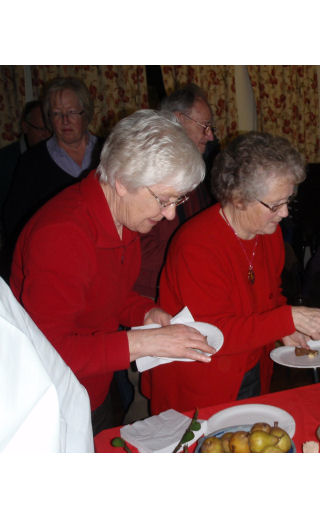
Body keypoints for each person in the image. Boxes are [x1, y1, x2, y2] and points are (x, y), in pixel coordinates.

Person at [10, 110, 216, 435]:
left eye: (177, 200)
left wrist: (145, 312)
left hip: (92, 386)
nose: (169, 215)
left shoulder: (124, 218)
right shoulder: (62, 235)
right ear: (121, 181)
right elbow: (50, 351)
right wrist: (145, 342)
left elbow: (108, 295)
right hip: (51, 401)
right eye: (163, 199)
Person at [142, 131, 320, 414]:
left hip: (250, 363)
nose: (284, 213)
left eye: (288, 201)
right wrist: (286, 319)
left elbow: (270, 296)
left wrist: (288, 328)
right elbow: (214, 333)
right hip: (202, 379)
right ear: (238, 198)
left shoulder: (268, 233)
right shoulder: (197, 246)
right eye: (275, 204)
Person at [2, 77, 103, 279]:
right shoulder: (32, 161)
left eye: (71, 112)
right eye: (57, 113)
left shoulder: (108, 152)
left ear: (86, 113)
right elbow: (15, 220)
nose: (65, 120)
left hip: (101, 256)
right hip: (52, 260)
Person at [134, 83, 216, 299]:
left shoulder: (195, 171)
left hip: (188, 282)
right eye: (204, 126)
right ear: (179, 120)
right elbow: (140, 252)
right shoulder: (150, 172)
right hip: (153, 294)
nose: (210, 136)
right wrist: (197, 264)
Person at [0, 278, 93, 452]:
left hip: (83, 396)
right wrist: (135, 344)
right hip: (76, 385)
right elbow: (55, 346)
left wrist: (142, 312)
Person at [0, 100, 51, 280]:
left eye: (49, 129)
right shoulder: (5, 161)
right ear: (25, 127)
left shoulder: (54, 155)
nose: (47, 135)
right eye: (41, 129)